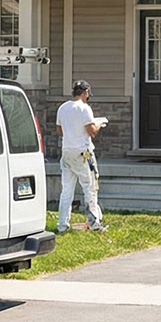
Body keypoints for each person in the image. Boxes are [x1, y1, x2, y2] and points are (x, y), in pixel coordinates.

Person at [55, 80, 108, 233]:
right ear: (85, 93)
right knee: (90, 188)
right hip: (82, 153)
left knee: (66, 190)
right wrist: (99, 124)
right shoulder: (84, 108)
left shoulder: (63, 107)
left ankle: (62, 225)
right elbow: (92, 131)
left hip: (67, 152)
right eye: (87, 95)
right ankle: (94, 223)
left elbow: (60, 130)